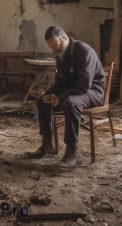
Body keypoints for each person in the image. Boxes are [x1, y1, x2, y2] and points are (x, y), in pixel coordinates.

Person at [25, 26, 105, 169]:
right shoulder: (60, 54)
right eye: (51, 48)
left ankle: (73, 153)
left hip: (92, 91)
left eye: (55, 46)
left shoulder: (84, 51)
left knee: (70, 103)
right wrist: (48, 94)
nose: (53, 50)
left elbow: (83, 85)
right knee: (42, 101)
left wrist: (61, 97)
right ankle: (47, 146)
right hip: (74, 91)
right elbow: (61, 81)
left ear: (64, 38)